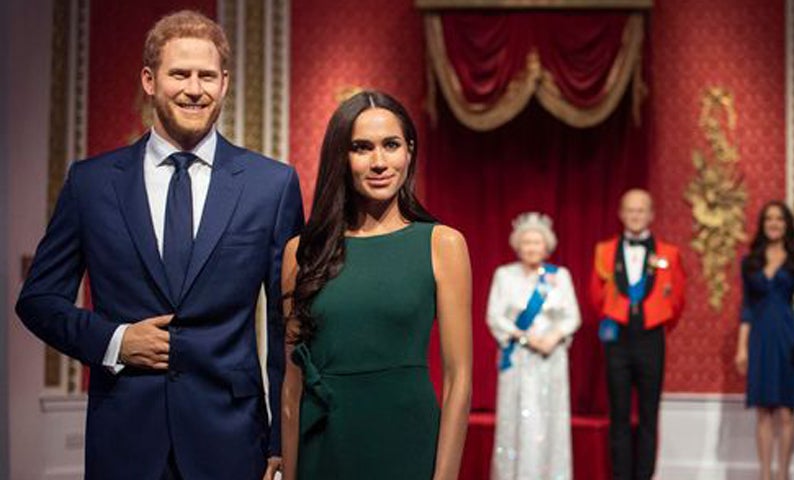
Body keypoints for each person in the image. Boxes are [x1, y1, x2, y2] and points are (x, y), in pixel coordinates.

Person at [15, 10, 303, 479]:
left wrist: (280, 439)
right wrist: (116, 340)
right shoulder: (90, 184)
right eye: (180, 74)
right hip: (124, 439)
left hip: (232, 440)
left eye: (207, 75)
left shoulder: (272, 186)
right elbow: (38, 300)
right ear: (149, 81)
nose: (195, 89)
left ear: (225, 84)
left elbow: (284, 323)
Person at [279, 91, 472, 480]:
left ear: (409, 151)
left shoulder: (443, 244)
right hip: (324, 448)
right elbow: (292, 387)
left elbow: (459, 380)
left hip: (408, 445)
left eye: (391, 145)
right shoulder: (302, 252)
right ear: (341, 157)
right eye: (362, 148)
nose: (379, 161)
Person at [589, 189, 686, 480]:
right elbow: (595, 296)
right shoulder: (605, 251)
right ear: (621, 214)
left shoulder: (669, 253)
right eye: (630, 210)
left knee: (648, 414)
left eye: (641, 210)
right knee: (618, 414)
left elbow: (678, 299)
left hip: (651, 338)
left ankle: (644, 476)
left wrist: (656, 321)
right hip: (617, 339)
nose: (635, 215)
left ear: (651, 215)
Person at [735, 201, 794, 480]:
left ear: (787, 225)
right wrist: (741, 348)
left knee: (786, 412)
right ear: (762, 225)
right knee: (763, 411)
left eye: (779, 219)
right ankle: (765, 475)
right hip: (759, 338)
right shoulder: (749, 262)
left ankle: (783, 475)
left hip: (787, 337)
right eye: (769, 219)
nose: (774, 223)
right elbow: (747, 308)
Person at [487, 212, 581, 480]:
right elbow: (494, 316)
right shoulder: (504, 275)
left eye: (537, 242)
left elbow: (573, 316)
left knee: (550, 418)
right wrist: (525, 338)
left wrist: (552, 337)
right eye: (526, 242)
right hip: (518, 356)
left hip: (551, 356)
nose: (531, 248)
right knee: (517, 418)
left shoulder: (559, 276)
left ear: (546, 246)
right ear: (517, 245)